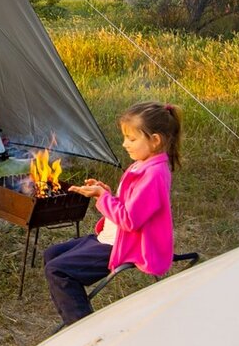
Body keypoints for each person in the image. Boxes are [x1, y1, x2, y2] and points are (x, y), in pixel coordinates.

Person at [43, 101, 182, 326]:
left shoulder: (154, 175)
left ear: (155, 140)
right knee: (52, 253)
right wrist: (107, 193)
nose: (125, 144)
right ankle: (74, 310)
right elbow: (132, 206)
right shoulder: (142, 164)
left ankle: (82, 329)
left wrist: (102, 197)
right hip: (110, 237)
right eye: (125, 137)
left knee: (58, 270)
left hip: (125, 245)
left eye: (132, 138)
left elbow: (130, 220)